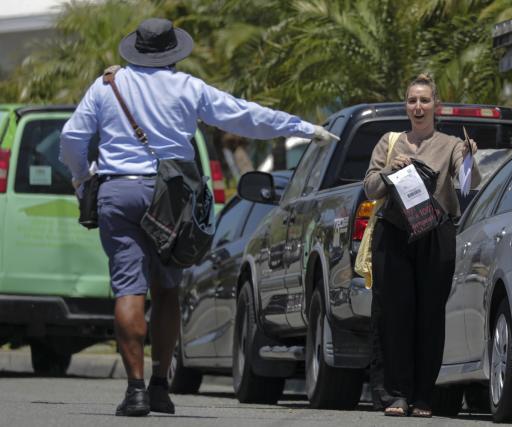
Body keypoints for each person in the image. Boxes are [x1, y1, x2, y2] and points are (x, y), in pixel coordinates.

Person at [59, 17, 335, 417]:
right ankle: (159, 386)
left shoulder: (107, 86)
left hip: (117, 191)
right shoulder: (188, 87)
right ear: (173, 53)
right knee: (167, 289)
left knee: (128, 289)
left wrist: (82, 178)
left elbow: (71, 138)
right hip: (171, 195)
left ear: (136, 49)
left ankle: (134, 390)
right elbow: (244, 116)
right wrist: (303, 128)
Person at [363, 73, 481, 417]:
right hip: (394, 233)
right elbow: (370, 188)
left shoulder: (451, 145)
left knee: (429, 317)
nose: (419, 106)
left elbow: (467, 184)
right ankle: (396, 395)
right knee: (394, 316)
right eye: (413, 100)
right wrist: (390, 172)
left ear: (436, 106)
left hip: (434, 235)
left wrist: (471, 156)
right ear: (406, 105)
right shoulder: (389, 142)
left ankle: (423, 397)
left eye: (425, 100)